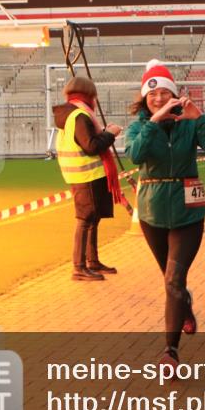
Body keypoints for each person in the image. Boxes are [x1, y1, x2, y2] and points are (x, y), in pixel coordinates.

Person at [125, 59, 205, 367]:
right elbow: (134, 155)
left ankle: (170, 351)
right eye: (152, 94)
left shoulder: (189, 122)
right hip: (151, 212)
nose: (158, 98)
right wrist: (154, 121)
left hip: (188, 213)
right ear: (145, 98)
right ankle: (184, 305)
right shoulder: (139, 127)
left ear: (173, 93)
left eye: (164, 92)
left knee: (173, 279)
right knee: (172, 281)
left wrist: (200, 119)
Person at [53, 76, 125, 282]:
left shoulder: (70, 113)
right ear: (89, 94)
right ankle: (79, 267)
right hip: (87, 174)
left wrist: (104, 133)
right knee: (85, 220)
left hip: (82, 174)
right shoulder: (80, 115)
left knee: (92, 218)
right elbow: (91, 146)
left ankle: (91, 261)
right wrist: (110, 134)